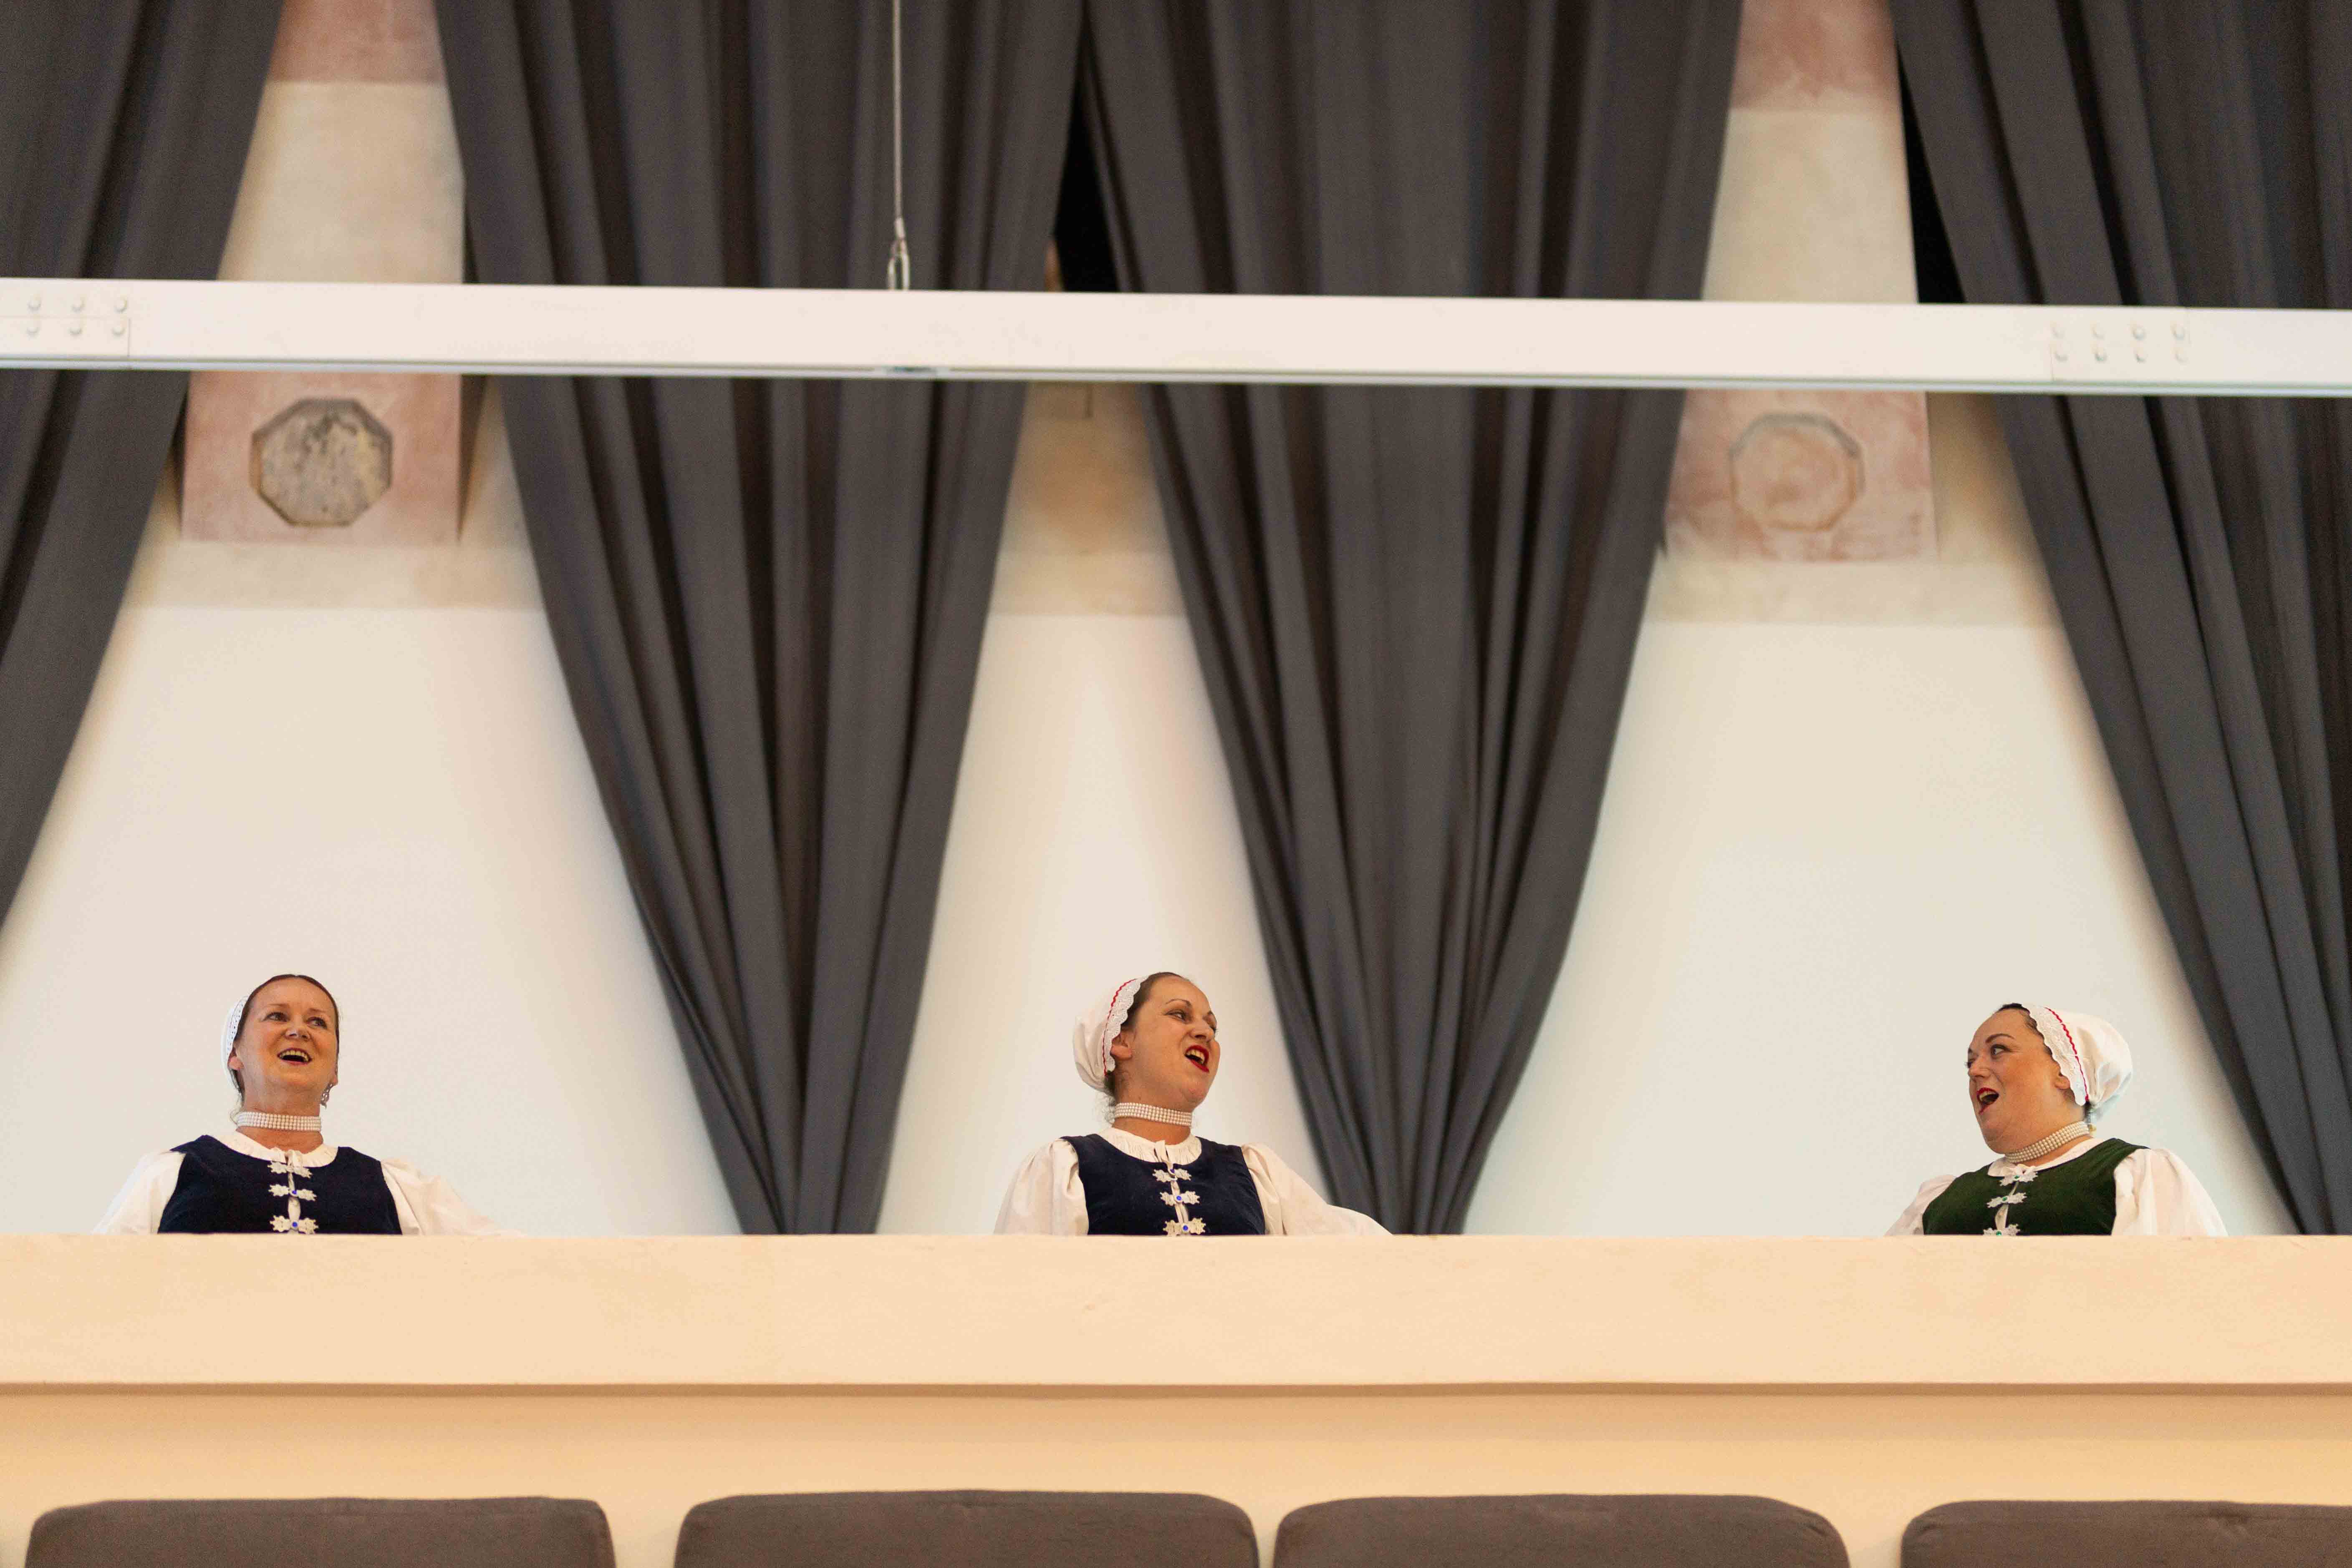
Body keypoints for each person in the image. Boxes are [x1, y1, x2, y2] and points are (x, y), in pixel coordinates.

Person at [97, 973, 505, 1235]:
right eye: (277, 1016)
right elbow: (94, 1284)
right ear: (235, 1053)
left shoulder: (398, 1189)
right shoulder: (174, 1174)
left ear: (335, 1070)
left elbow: (516, 1265)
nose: (298, 1031)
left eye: (318, 1022)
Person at [995, 972, 1385, 1236]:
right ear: (1121, 1041)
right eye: (1180, 1014)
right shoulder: (1066, 1169)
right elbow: (1019, 1297)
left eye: (1212, 1026)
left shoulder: (1257, 1174)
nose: (1204, 1031)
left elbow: (1362, 1253)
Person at [1888, 1002, 2225, 1236]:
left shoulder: (2136, 1177)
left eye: (1998, 1050)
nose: (1975, 1070)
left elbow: (2193, 1295)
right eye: (1970, 1062)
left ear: (2065, 1071)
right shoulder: (1939, 1201)